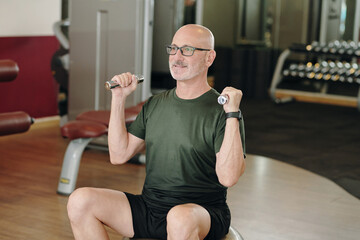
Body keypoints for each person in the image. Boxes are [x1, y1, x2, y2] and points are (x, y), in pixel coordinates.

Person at [67, 24, 245, 240]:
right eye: (174, 48)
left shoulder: (222, 111)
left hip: (201, 213)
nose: (177, 57)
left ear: (209, 58)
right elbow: (118, 155)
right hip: (151, 208)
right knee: (80, 200)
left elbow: (228, 178)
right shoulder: (155, 104)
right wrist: (119, 98)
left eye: (188, 50)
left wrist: (233, 113)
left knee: (179, 218)